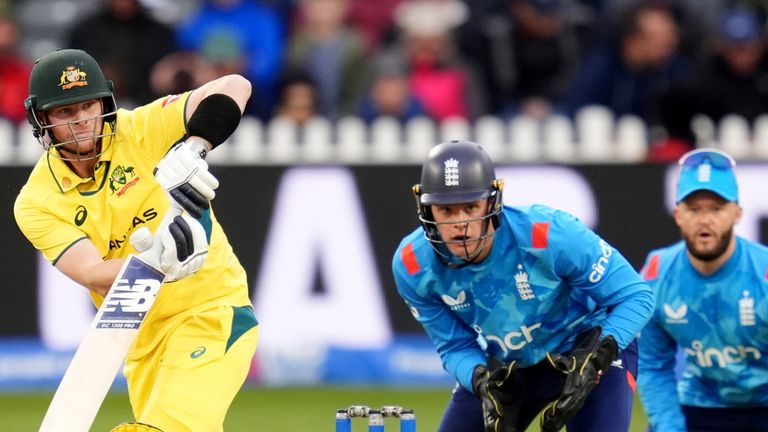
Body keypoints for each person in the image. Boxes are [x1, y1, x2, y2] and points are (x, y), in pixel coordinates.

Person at [14, 49, 258, 432]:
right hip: (137, 336)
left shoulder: (141, 128)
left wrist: (195, 147)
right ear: (42, 120)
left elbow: (235, 85)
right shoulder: (36, 202)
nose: (82, 123)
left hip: (211, 311)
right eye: (65, 113)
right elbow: (92, 272)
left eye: (88, 106)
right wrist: (159, 261)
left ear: (104, 103)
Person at [391, 140, 655, 432]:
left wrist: (595, 359)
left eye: (470, 206)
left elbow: (637, 296)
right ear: (427, 212)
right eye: (446, 211)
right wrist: (480, 380)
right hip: (509, 366)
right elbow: (454, 347)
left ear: (493, 202)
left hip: (586, 347)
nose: (461, 224)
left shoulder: (550, 234)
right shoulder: (412, 265)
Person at [637, 148, 768, 431]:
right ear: (678, 215)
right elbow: (653, 365)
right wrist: (670, 427)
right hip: (699, 407)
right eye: (694, 209)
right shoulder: (656, 274)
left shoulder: (764, 273)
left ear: (737, 213)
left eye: (717, 208)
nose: (705, 220)